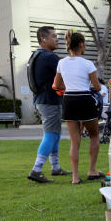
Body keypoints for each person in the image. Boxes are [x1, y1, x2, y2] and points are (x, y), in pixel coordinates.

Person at [52, 30, 102, 184]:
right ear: (81, 45)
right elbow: (98, 87)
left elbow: (56, 85)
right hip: (85, 99)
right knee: (94, 135)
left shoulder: (61, 62)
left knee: (75, 141)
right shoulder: (88, 64)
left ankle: (75, 177)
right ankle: (92, 170)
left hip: (69, 100)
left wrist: (69, 85)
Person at [27, 26, 71, 183]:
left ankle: (56, 167)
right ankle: (36, 170)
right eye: (53, 36)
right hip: (49, 101)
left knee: (55, 134)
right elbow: (66, 76)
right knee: (51, 134)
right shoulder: (50, 57)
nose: (56, 39)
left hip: (41, 99)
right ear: (43, 39)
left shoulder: (36, 55)